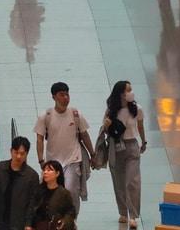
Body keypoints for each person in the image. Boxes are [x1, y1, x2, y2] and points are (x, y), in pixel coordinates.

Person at [34, 82, 93, 210]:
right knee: (50, 192)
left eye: (67, 94)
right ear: (54, 97)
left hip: (72, 160)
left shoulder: (75, 114)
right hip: (53, 163)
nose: (65, 98)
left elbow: (85, 135)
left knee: (72, 191)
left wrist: (92, 154)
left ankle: (72, 220)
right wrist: (41, 160)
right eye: (62, 95)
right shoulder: (46, 116)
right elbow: (39, 139)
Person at [102, 80, 148, 227]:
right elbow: (105, 128)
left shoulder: (137, 109)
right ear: (120, 93)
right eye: (128, 90)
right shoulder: (111, 110)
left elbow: (140, 126)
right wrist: (106, 125)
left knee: (132, 182)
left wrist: (144, 141)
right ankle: (123, 211)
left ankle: (133, 215)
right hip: (115, 147)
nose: (131, 93)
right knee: (119, 182)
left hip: (132, 146)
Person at [0, 135, 38, 230]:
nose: (18, 156)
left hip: (18, 221)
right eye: (16, 152)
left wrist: (28, 223)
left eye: (22, 154)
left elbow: (32, 202)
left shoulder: (32, 176)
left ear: (27, 154)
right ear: (11, 151)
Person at [30, 159, 78, 230]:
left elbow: (71, 212)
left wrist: (64, 221)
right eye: (44, 170)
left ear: (57, 173)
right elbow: (31, 209)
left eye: (49, 170)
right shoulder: (38, 190)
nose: (45, 172)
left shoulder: (64, 193)